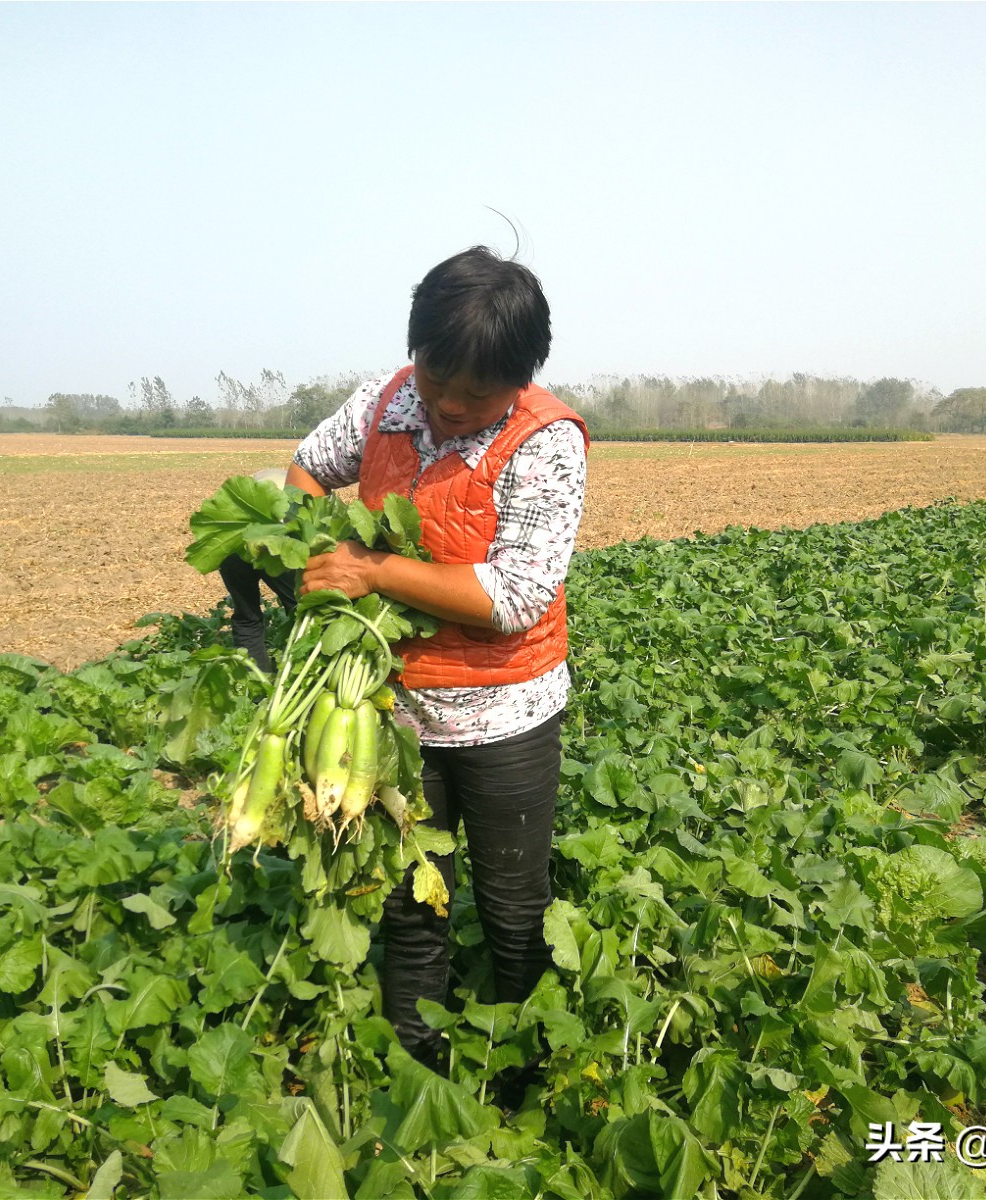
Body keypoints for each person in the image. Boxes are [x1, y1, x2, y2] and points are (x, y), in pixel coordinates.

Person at [287, 245, 588, 1077]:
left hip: (504, 716)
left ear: (523, 377)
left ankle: (524, 1079)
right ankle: (413, 1078)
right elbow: (309, 471)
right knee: (409, 903)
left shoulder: (546, 442)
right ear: (414, 354)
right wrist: (315, 554)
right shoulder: (386, 403)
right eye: (435, 379)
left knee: (510, 907)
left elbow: (515, 595)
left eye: (476, 393)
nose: (450, 404)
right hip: (393, 719)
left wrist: (373, 570)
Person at [218, 467, 299, 673]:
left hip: (231, 537)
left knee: (247, 618)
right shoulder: (298, 483)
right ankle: (304, 680)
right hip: (274, 538)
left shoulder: (275, 478)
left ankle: (255, 686)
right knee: (304, 610)